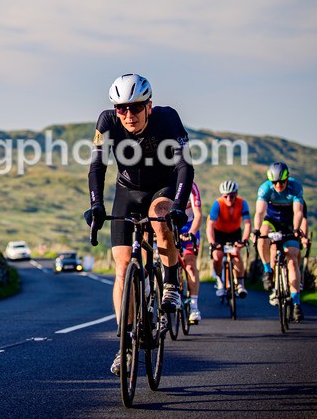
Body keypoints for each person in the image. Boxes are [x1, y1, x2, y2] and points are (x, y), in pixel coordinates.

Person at [86, 73, 194, 375]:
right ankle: (126, 344)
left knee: (160, 218)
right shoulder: (106, 122)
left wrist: (179, 208)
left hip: (164, 186)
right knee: (122, 268)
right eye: (122, 108)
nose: (129, 115)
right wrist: (96, 204)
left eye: (135, 107)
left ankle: (171, 282)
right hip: (127, 191)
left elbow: (185, 166)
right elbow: (97, 164)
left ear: (149, 105)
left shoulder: (167, 119)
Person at [253, 161, 309, 322]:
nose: (278, 185)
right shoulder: (265, 188)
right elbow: (260, 211)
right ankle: (267, 271)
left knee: (292, 260)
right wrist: (256, 230)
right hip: (272, 221)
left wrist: (297, 229)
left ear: (287, 179)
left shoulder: (295, 187)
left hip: (290, 223)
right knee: (263, 234)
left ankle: (297, 304)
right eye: (275, 182)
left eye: (282, 182)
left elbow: (298, 211)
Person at [207, 179, 252, 299]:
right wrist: (212, 242)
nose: (228, 199)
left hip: (234, 232)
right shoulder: (218, 204)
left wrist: (244, 239)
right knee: (217, 256)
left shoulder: (242, 203)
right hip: (219, 233)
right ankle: (219, 281)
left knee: (236, 253)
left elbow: (247, 223)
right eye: (225, 196)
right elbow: (210, 225)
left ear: (236, 194)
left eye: (231, 196)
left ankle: (240, 285)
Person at [180, 181, 203, 323]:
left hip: (189, 226)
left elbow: (198, 215)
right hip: (170, 226)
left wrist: (191, 233)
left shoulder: (191, 186)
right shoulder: (163, 181)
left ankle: (194, 306)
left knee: (189, 265)